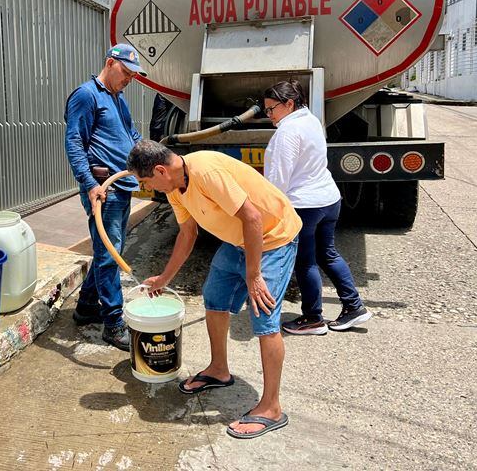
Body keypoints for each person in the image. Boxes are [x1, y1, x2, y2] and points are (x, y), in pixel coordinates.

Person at [127, 140, 302, 440]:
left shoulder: (205, 172)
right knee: (214, 297)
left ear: (160, 170)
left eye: (146, 181)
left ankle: (271, 407)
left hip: (273, 237)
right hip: (238, 240)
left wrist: (254, 275)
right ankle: (219, 370)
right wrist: (164, 278)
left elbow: (253, 217)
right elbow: (187, 233)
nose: (148, 187)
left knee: (263, 315)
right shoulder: (174, 187)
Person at [262, 80, 372, 335]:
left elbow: (278, 180)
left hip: (305, 205)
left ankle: (313, 318)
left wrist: (269, 213)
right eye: (266, 110)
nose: (269, 115)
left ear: (289, 103)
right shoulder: (310, 120)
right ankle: (354, 306)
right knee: (328, 254)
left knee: (305, 262)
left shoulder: (287, 132)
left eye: (271, 109)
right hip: (328, 200)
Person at [64, 44, 147, 351]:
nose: (129, 79)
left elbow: (132, 135)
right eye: (125, 72)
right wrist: (89, 184)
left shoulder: (118, 98)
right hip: (103, 189)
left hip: (122, 186)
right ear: (110, 63)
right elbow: (74, 142)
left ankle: (86, 307)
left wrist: (151, 154)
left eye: (133, 75)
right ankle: (113, 325)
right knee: (110, 255)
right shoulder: (86, 95)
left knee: (108, 250)